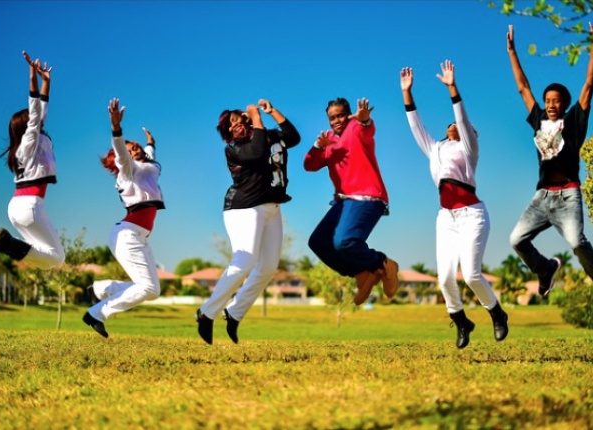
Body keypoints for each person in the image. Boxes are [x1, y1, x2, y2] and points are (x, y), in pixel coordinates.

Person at [400, 61, 508, 349]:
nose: (454, 125)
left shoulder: (469, 149)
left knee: (471, 274)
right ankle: (460, 320)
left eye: (461, 126)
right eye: (449, 124)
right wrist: (407, 92)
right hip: (446, 217)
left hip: (473, 215)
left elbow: (462, 118)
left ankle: (496, 313)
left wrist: (452, 88)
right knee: (445, 277)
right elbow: (416, 125)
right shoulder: (435, 148)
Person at [507, 21, 593, 307]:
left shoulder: (574, 122)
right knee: (516, 240)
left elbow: (589, 84)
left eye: (556, 101)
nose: (550, 104)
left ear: (565, 104)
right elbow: (523, 87)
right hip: (542, 197)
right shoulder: (538, 120)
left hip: (568, 195)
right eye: (547, 100)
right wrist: (512, 51)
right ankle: (545, 268)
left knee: (576, 242)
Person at [195, 99, 300, 345]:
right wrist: (256, 117)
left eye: (237, 119)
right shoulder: (234, 148)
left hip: (272, 207)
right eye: (229, 125)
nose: (235, 126)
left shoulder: (267, 135)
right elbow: (257, 152)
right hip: (244, 208)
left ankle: (234, 312)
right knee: (244, 261)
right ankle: (206, 313)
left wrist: (271, 112)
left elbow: (293, 138)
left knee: (268, 267)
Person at [82, 98, 165, 338]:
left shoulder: (146, 167)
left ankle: (101, 288)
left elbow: (148, 155)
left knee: (152, 290)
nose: (136, 148)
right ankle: (97, 313)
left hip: (139, 237)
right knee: (147, 287)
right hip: (128, 235)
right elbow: (121, 153)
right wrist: (116, 128)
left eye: (136, 146)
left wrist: (150, 143)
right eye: (132, 149)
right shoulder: (128, 171)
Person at [304, 97, 398, 307]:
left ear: (348, 115)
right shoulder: (328, 140)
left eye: (340, 115)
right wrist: (318, 146)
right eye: (332, 118)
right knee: (318, 242)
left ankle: (383, 263)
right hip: (344, 201)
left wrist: (364, 120)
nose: (336, 120)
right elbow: (309, 165)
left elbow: (367, 127)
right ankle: (361, 273)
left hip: (368, 196)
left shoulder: (356, 128)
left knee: (344, 241)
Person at [0, 51, 65, 269]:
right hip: (31, 206)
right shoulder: (30, 142)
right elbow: (36, 111)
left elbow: (40, 111)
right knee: (57, 258)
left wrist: (46, 82)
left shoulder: (24, 147)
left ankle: (6, 243)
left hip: (17, 207)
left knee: (43, 257)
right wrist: (32, 78)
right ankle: (6, 243)